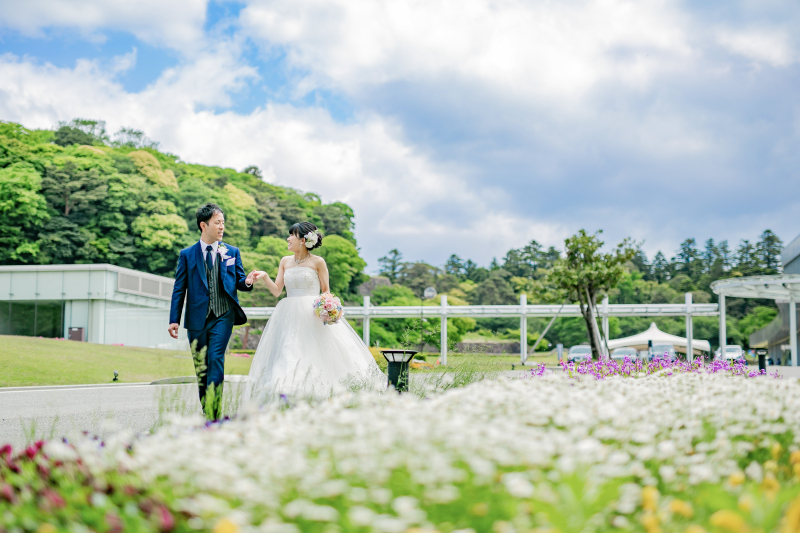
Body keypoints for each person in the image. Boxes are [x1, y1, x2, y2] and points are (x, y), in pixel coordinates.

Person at [245, 221, 384, 402]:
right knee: (289, 350)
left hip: (312, 314)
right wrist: (264, 276)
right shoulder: (285, 261)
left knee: (318, 355)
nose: (287, 239)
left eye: (291, 235)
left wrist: (327, 308)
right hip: (289, 314)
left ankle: (321, 396)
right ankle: (286, 394)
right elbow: (277, 291)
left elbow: (326, 291)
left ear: (303, 240)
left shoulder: (318, 262)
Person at [168, 203, 257, 419]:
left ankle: (214, 415)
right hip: (196, 318)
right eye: (217, 222)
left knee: (216, 358)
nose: (221, 227)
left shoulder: (232, 251)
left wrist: (247, 281)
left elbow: (239, 281)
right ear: (203, 225)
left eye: (223, 223)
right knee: (202, 367)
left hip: (224, 315)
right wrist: (174, 319)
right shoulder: (187, 255)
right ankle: (207, 411)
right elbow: (179, 288)